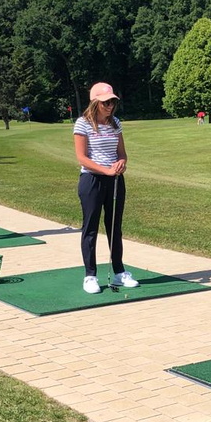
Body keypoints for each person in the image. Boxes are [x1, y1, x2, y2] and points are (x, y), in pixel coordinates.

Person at [73, 82, 139, 294]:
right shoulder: (82, 124)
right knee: (90, 228)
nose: (110, 106)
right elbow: (82, 157)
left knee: (114, 227)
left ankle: (119, 272)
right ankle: (90, 276)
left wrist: (121, 163)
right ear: (95, 103)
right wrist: (106, 170)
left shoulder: (115, 123)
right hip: (92, 180)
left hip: (115, 180)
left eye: (112, 102)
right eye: (105, 102)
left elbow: (122, 153)